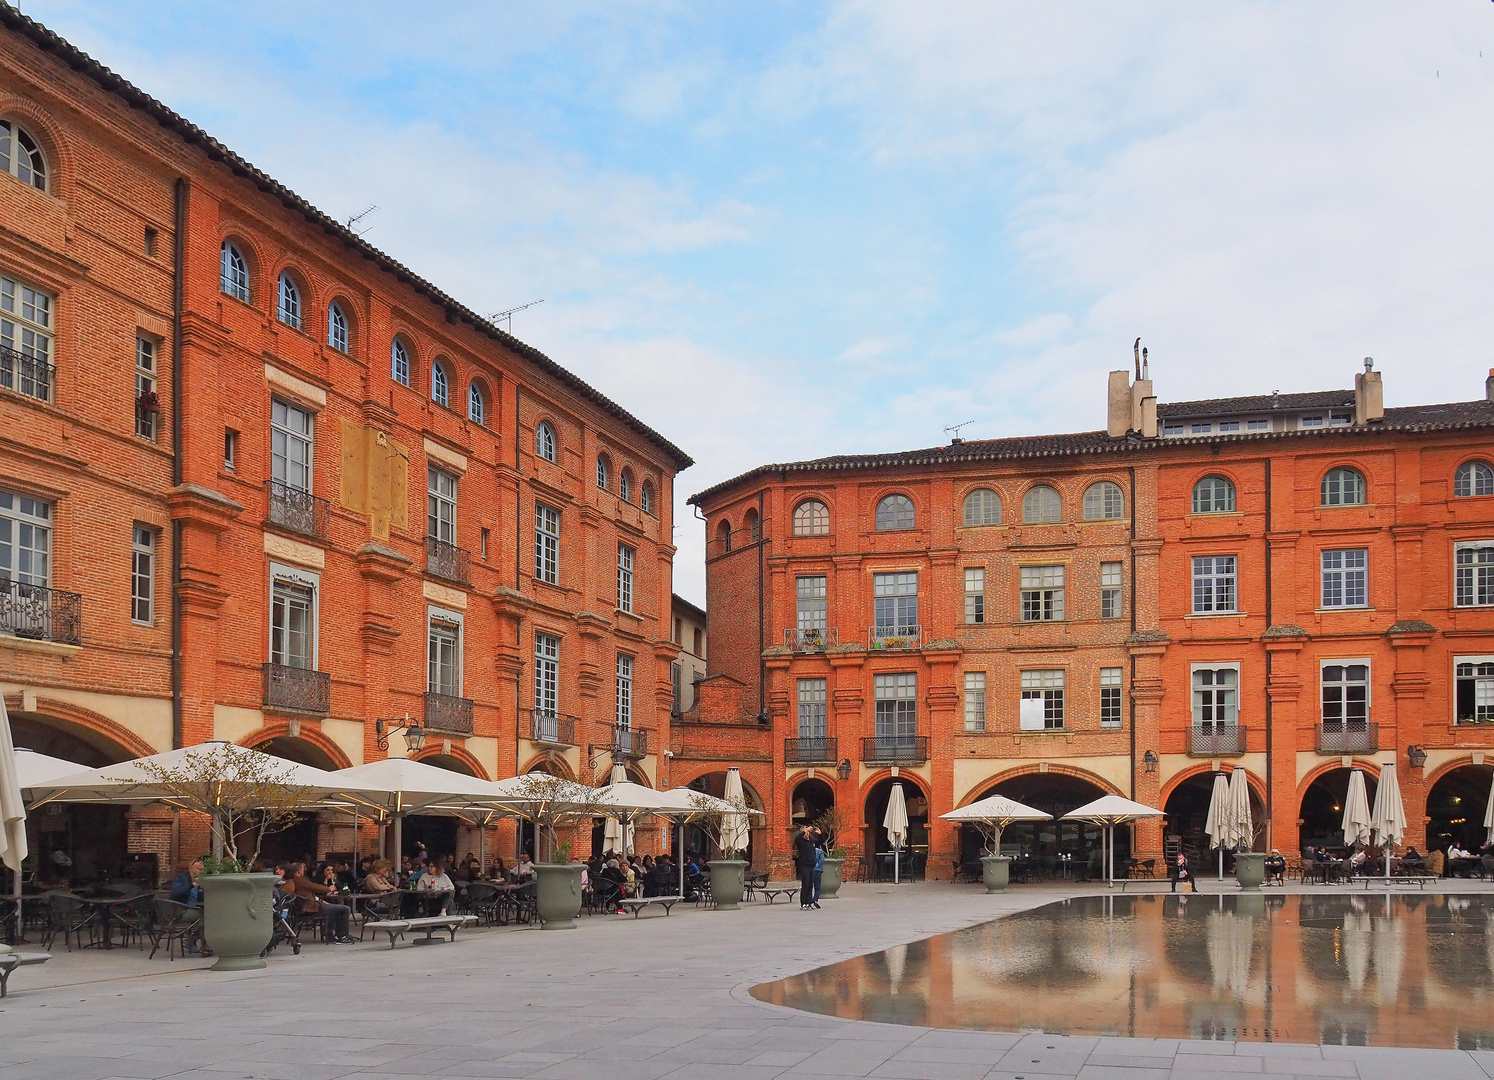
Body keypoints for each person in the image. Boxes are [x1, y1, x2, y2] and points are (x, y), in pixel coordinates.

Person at [285, 862, 354, 943]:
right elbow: (313, 886)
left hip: (315, 903)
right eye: (303, 869)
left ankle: (334, 934)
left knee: (337, 908)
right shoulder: (299, 880)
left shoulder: (297, 879)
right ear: (299, 871)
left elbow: (312, 892)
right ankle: (341, 936)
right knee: (345, 909)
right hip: (310, 908)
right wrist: (329, 889)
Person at [795, 825, 818, 909]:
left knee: (810, 885)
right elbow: (796, 839)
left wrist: (819, 833)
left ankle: (809, 902)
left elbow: (820, 841)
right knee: (805, 884)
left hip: (812, 865)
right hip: (804, 865)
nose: (807, 834)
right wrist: (805, 830)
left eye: (808, 832)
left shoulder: (811, 841)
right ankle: (803, 903)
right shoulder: (800, 841)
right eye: (805, 832)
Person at [810, 827, 825, 908]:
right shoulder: (819, 851)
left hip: (810, 869)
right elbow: (822, 860)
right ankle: (815, 899)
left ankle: (808, 901)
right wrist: (820, 834)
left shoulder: (808, 849)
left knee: (809, 886)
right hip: (818, 870)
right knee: (817, 887)